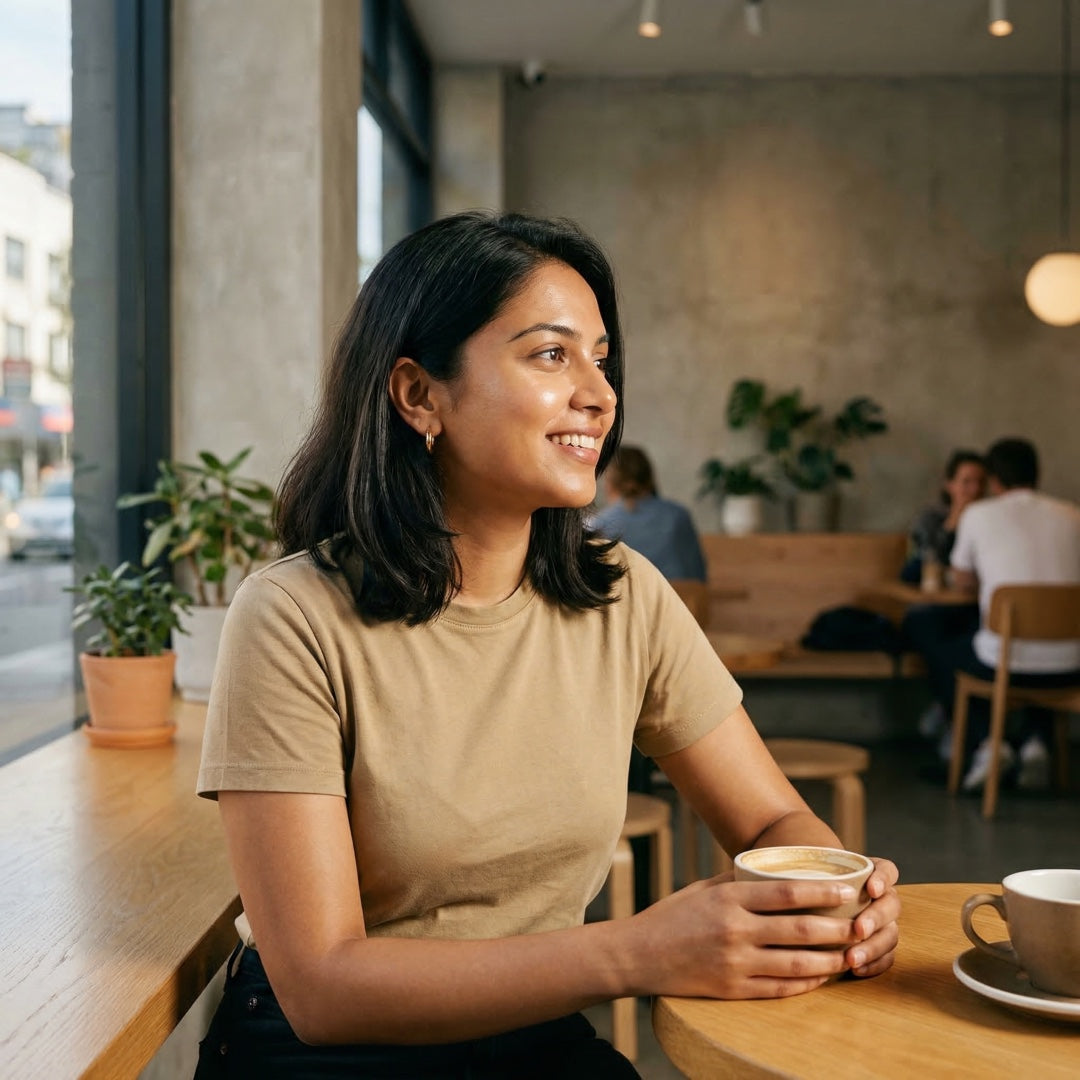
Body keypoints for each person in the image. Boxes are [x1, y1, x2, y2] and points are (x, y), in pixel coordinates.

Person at [194, 210, 900, 1079]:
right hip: (327, 1056)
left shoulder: (623, 595)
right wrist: (640, 952)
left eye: (601, 358)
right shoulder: (292, 616)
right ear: (419, 395)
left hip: (530, 1036)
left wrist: (835, 897)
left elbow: (769, 821)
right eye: (551, 354)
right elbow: (322, 987)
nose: (600, 394)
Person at [904, 437, 1080, 792]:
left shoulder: (979, 515)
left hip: (1003, 662)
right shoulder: (1073, 515)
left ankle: (987, 744)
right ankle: (1035, 743)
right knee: (1036, 644)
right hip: (1071, 663)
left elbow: (963, 579)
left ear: (994, 481)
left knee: (944, 647)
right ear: (1037, 474)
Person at [590, 445, 707, 582]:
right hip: (682, 594)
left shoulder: (602, 523)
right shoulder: (679, 515)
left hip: (632, 594)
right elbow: (698, 572)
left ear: (611, 483)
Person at [900, 450, 986, 585]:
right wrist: (954, 521)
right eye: (966, 482)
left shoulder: (990, 521)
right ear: (950, 485)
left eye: (981, 482)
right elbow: (928, 561)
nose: (975, 490)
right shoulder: (931, 518)